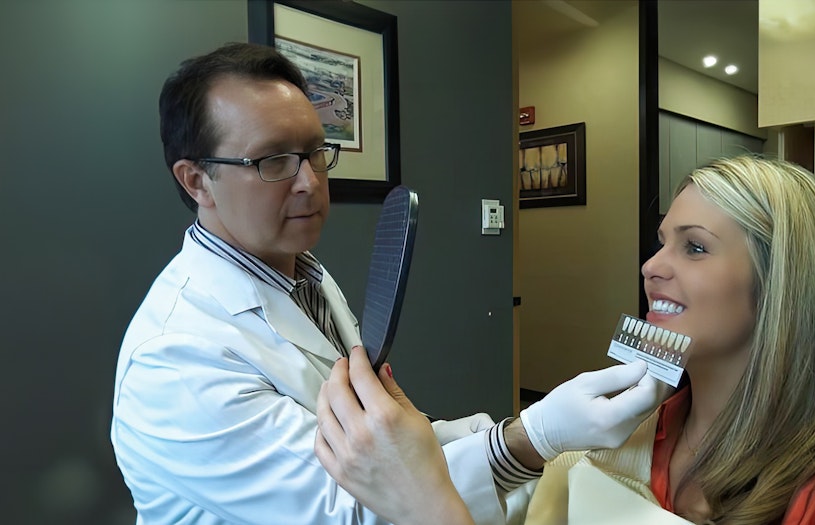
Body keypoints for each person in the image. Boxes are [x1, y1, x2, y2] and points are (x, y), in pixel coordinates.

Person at [109, 42, 668, 525]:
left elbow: (380, 452)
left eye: (315, 153)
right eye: (274, 160)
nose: (309, 182)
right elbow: (360, 505)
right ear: (197, 180)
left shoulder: (304, 275)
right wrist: (532, 439)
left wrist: (511, 432)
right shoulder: (175, 359)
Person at [315, 155, 815, 525]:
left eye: (695, 246)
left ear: (784, 285)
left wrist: (428, 507)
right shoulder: (617, 439)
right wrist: (474, 449)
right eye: (662, 242)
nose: (651, 267)